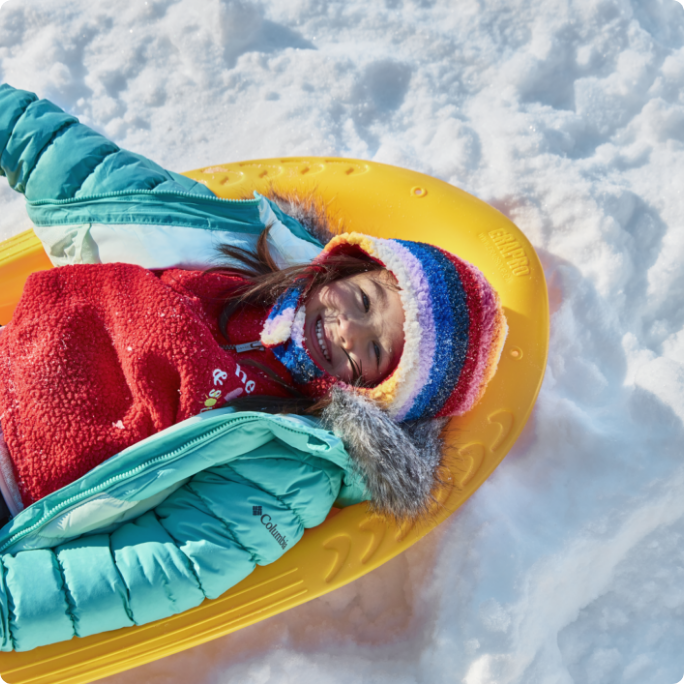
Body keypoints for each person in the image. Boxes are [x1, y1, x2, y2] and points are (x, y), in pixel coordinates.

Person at [0, 84, 507, 652]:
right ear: (342, 267)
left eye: (372, 355)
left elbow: (163, 566)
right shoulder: (226, 243)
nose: (345, 331)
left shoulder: (293, 466)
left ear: (378, 394)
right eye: (362, 302)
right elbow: (82, 169)